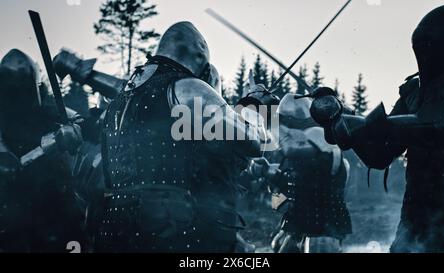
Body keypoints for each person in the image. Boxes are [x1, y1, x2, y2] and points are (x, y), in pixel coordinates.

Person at [95, 21, 261, 252]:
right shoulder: (187, 87)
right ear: (199, 54)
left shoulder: (122, 97)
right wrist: (255, 104)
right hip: (167, 222)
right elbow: (254, 143)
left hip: (112, 220)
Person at [309, 6, 444, 252]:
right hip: (416, 218)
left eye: (432, 44)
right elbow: (380, 154)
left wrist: (370, 125)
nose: (425, 52)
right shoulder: (415, 91)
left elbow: (437, 127)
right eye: (421, 44)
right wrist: (343, 125)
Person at [0, 49, 86, 252]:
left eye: (22, 88)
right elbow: (8, 166)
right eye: (11, 89)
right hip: (10, 218)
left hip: (56, 213)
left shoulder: (50, 112)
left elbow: (85, 123)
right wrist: (44, 147)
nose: (17, 96)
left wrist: (74, 129)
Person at [260, 94, 352, 253]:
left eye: (286, 121)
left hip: (323, 224)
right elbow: (285, 196)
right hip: (300, 222)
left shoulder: (323, 142)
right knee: (279, 245)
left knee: (319, 247)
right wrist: (271, 176)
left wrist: (270, 124)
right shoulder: (293, 157)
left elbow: (295, 154)